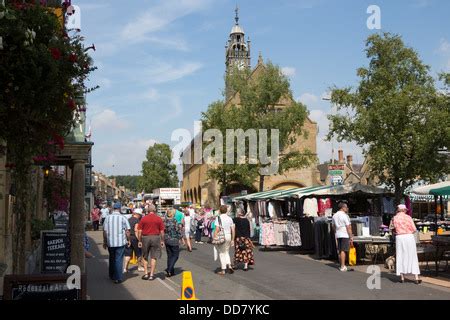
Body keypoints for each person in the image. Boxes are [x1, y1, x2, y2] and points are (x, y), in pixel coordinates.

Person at [390, 204, 421, 284]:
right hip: (409, 237)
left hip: (400, 237)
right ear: (404, 210)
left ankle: (402, 277)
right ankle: (416, 277)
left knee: (401, 256)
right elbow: (414, 229)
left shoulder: (394, 218)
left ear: (398, 210)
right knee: (412, 256)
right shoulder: (408, 217)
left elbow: (391, 228)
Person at [103, 202, 131, 284]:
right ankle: (118, 278)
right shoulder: (123, 218)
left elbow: (104, 231)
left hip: (110, 242)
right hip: (120, 243)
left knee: (112, 258)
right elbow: (128, 231)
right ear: (119, 209)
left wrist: (105, 241)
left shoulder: (108, 218)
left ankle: (111, 275)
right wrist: (128, 240)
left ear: (113, 208)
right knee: (118, 259)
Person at [137, 204, 165, 281]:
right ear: (155, 210)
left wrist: (139, 241)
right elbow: (162, 231)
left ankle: (146, 274)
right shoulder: (159, 219)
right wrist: (162, 240)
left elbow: (140, 231)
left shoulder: (143, 219)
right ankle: (152, 275)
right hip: (156, 238)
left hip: (145, 238)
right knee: (154, 256)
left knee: (145, 256)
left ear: (148, 211)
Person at [213, 205, 236, 275]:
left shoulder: (218, 218)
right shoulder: (230, 218)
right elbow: (233, 229)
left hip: (222, 236)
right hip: (229, 235)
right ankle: (229, 265)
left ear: (220, 210)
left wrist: (214, 237)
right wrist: (233, 239)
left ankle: (223, 269)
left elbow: (217, 229)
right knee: (226, 251)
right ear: (226, 210)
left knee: (221, 253)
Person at [332, 202, 353, 272]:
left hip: (338, 233)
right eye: (346, 207)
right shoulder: (344, 215)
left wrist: (336, 232)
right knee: (343, 250)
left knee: (340, 250)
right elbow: (348, 227)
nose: (347, 208)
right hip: (344, 234)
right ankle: (342, 266)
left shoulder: (334, 215)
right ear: (343, 208)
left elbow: (333, 226)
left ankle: (341, 264)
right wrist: (351, 236)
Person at [123, 208, 144, 273]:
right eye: (140, 215)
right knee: (139, 253)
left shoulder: (128, 220)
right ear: (138, 215)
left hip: (128, 238)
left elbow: (126, 230)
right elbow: (136, 230)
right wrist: (139, 240)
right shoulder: (137, 221)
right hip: (135, 238)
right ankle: (139, 267)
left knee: (128, 254)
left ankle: (125, 268)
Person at [164, 208, 183, 277]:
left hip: (166, 239)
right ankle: (169, 269)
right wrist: (181, 238)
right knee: (175, 255)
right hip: (174, 239)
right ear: (172, 214)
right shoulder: (175, 221)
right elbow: (179, 231)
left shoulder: (165, 221)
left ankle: (171, 272)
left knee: (169, 255)